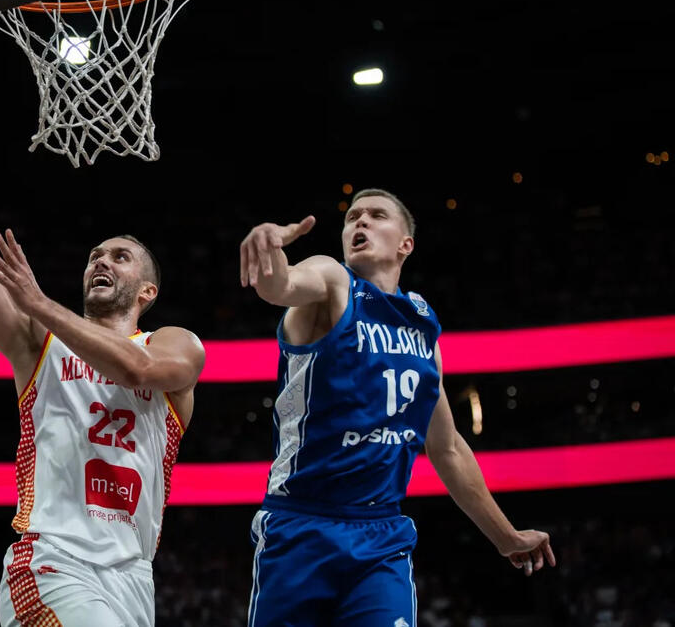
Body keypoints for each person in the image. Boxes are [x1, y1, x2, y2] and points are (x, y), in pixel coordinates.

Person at [0, 70, 205, 627]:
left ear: (148, 291)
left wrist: (39, 301)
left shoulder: (174, 345)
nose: (101, 260)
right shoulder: (37, 344)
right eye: (96, 254)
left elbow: (135, 367)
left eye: (120, 257)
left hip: (133, 577)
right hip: (50, 560)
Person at [238, 188, 556, 626]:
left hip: (381, 535)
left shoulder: (422, 326)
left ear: (405, 244)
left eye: (375, 215)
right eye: (353, 217)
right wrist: (268, 249)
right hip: (301, 525)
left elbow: (446, 449)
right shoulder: (331, 279)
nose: (360, 222)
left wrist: (506, 537)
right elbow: (281, 286)